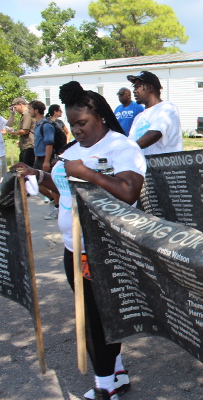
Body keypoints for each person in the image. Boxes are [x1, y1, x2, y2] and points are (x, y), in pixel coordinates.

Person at [13, 81, 146, 400]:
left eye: (82, 123)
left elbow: (129, 193)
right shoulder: (72, 151)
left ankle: (104, 385)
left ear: (99, 116)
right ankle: (116, 374)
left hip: (104, 248)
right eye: (72, 124)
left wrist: (89, 174)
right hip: (74, 248)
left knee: (100, 320)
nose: (77, 130)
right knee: (93, 316)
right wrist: (36, 174)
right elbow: (62, 190)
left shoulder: (122, 147)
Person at [127, 71, 182, 155]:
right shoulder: (138, 118)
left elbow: (155, 134)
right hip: (145, 167)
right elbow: (130, 142)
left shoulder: (168, 108)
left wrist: (127, 150)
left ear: (150, 87)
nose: (134, 91)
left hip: (165, 167)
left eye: (138, 86)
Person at [29, 101, 60, 219]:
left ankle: (57, 207)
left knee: (53, 183)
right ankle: (52, 200)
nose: (29, 111)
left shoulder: (46, 125)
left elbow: (49, 144)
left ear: (36, 110)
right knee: (34, 181)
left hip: (48, 158)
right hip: (39, 157)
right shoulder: (37, 125)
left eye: (30, 109)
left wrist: (47, 161)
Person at [5, 97, 35, 167]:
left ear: (20, 104)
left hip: (29, 146)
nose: (15, 110)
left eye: (15, 107)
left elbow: (25, 131)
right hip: (25, 146)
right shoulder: (24, 114)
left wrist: (12, 132)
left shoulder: (27, 114)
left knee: (27, 169)